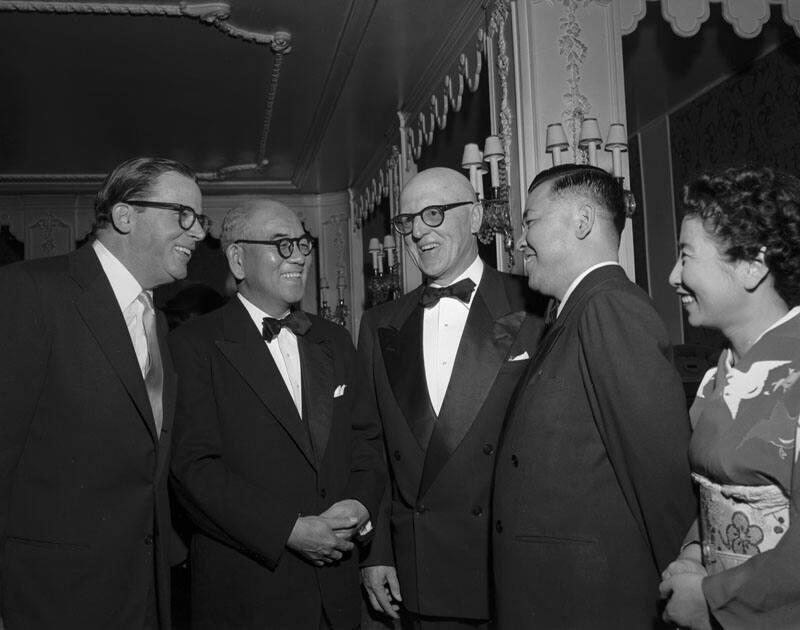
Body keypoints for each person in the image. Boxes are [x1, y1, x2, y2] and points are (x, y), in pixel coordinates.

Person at [0, 157, 206, 629]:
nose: (197, 233)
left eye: (201, 219)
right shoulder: (29, 293)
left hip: (144, 592)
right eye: (184, 215)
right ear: (125, 215)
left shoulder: (156, 320)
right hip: (50, 597)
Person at [492, 163, 696, 629]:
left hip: (590, 604)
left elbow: (660, 475)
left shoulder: (609, 307)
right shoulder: (572, 313)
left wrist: (683, 585)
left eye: (530, 222)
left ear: (582, 221)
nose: (520, 240)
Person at [169, 199, 386, 629]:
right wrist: (288, 529)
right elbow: (193, 470)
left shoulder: (335, 340)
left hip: (336, 601)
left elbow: (368, 442)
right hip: (248, 599)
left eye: (303, 244)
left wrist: (360, 505)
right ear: (237, 259)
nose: (301, 257)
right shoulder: (194, 344)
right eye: (282, 245)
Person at [358, 166, 545, 628]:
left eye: (435, 214)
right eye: (407, 221)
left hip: (509, 565)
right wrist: (375, 552)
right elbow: (373, 449)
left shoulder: (537, 307)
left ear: (477, 216)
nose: (418, 231)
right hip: (419, 571)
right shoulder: (379, 323)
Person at [660, 166, 800, 629]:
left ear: (752, 265)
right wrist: (694, 551)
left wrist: (712, 599)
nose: (673, 276)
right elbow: (708, 496)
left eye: (686, 256)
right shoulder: (715, 374)